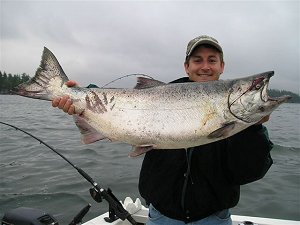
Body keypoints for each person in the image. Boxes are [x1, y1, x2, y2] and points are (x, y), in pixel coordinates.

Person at [52, 35, 273, 225]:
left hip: (214, 217)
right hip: (161, 217)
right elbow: (120, 103)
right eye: (198, 60)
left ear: (222, 66)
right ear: (187, 66)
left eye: (212, 60)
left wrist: (254, 128)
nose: (205, 66)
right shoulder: (160, 94)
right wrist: (79, 96)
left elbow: (251, 172)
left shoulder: (239, 118)